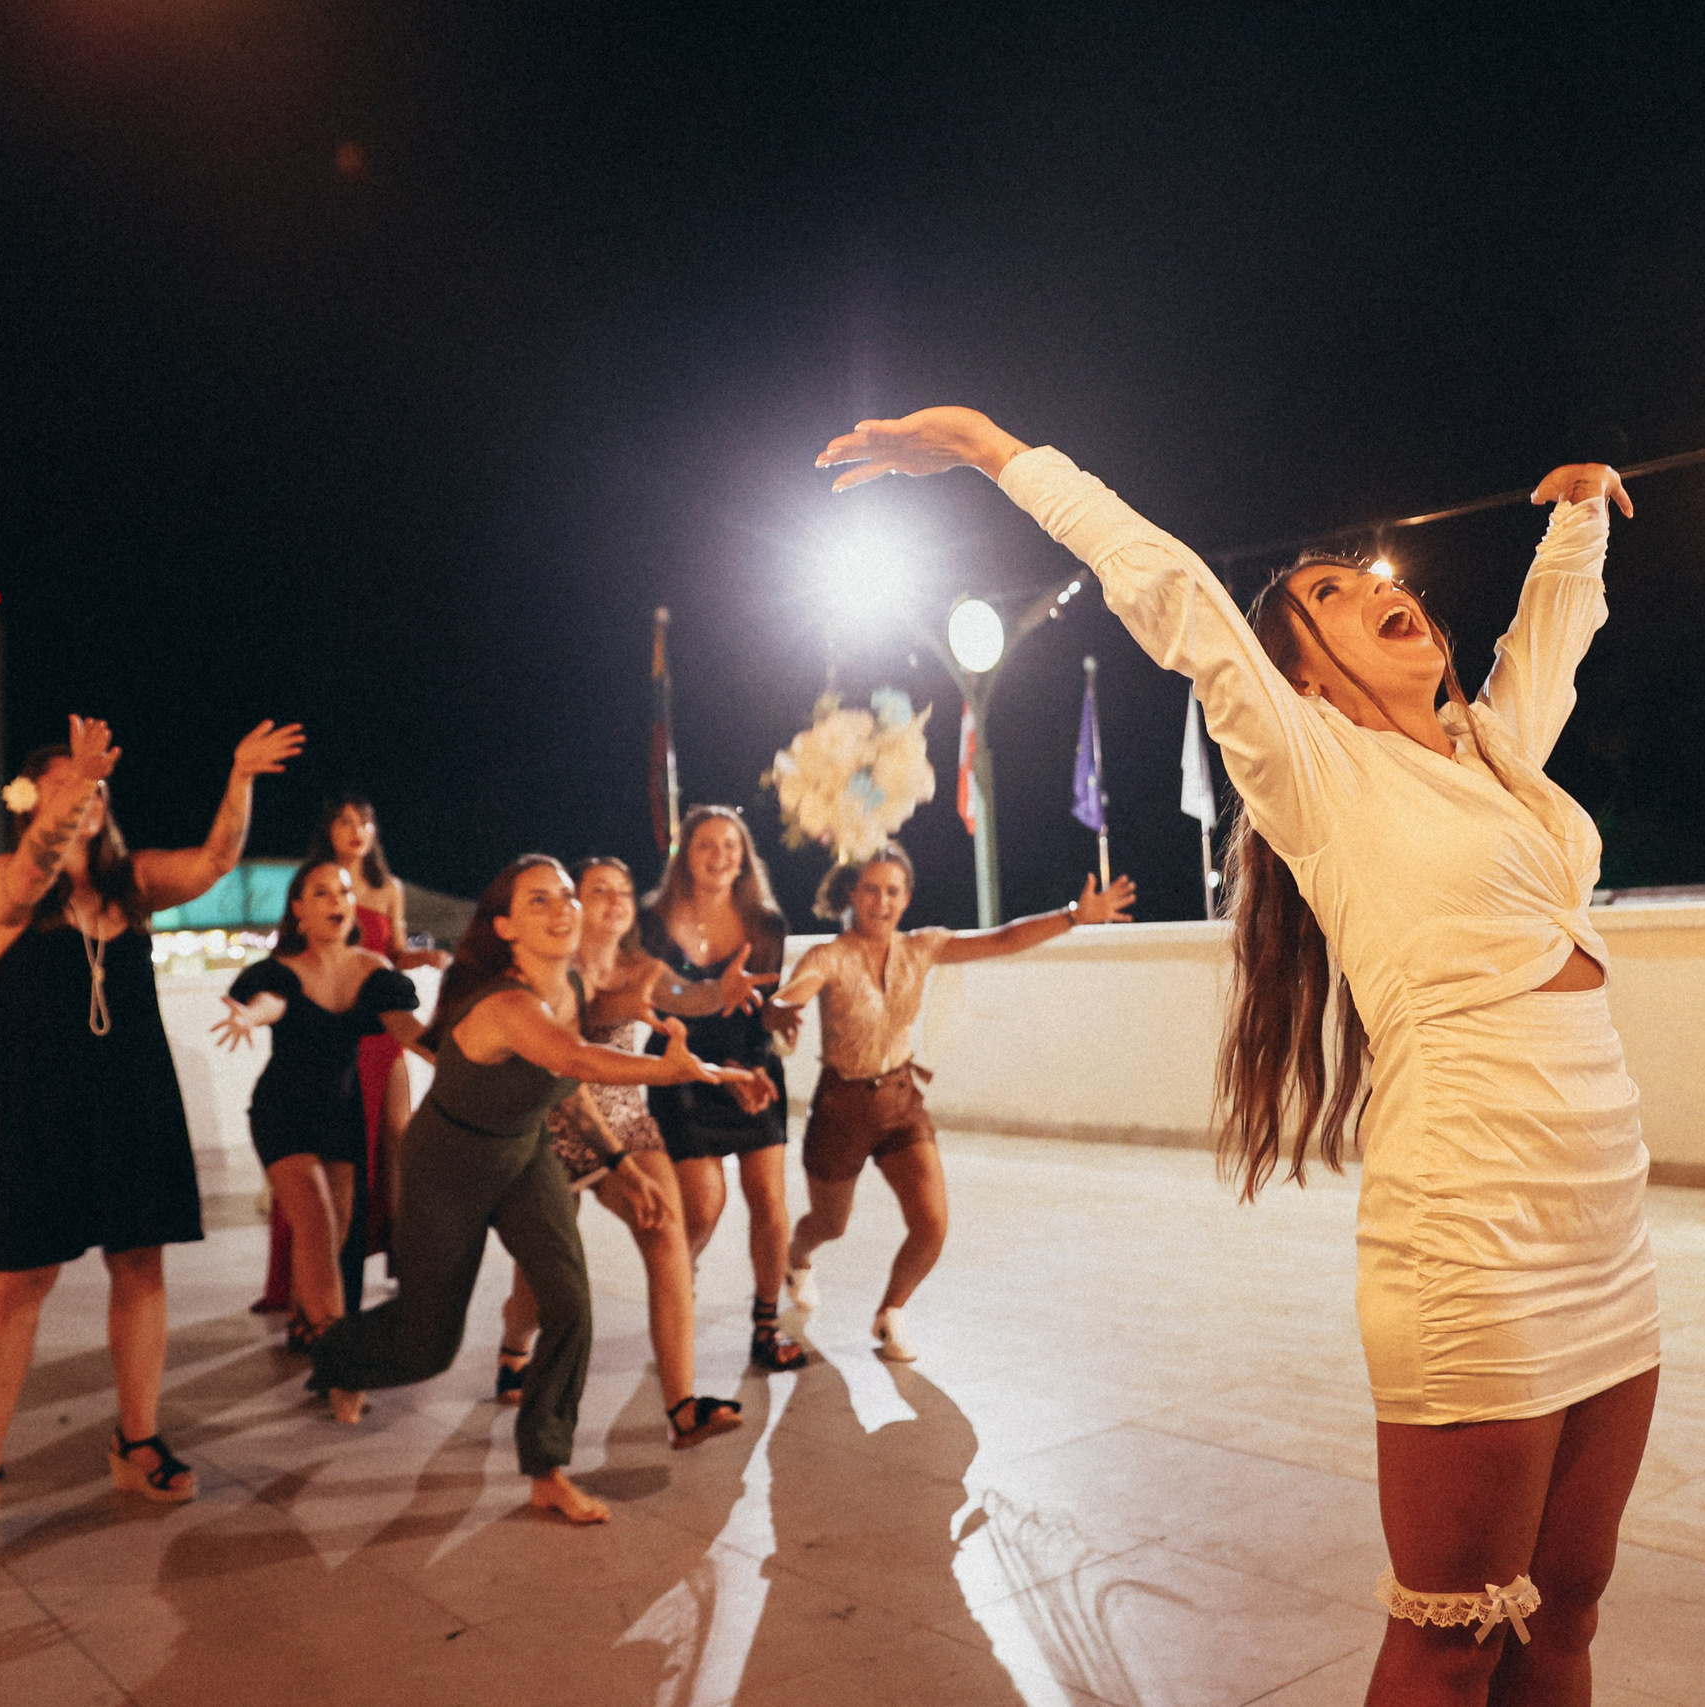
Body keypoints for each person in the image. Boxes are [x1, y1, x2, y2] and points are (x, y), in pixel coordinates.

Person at [821, 406, 1652, 1707]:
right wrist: (998, 452)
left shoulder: (1493, 751)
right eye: (1333, 592)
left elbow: (1551, 641)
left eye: (1377, 578)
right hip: (1477, 1226)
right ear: (1303, 674)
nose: (1380, 587)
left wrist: (1579, 517)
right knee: (1451, 1638)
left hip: (1608, 1221)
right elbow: (1181, 594)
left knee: (1567, 1611)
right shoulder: (1313, 772)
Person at [308, 856, 775, 1523]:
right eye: (538, 901)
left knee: (571, 1304)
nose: (561, 908)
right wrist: (675, 1071)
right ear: (504, 926)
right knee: (428, 1344)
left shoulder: (573, 987)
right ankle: (337, 1352)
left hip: (524, 1154)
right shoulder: (506, 1003)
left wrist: (619, 1160)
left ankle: (547, 1467)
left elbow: (569, 1084)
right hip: (450, 1165)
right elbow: (576, 1058)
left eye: (564, 896)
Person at [0, 712, 304, 1557]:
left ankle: (136, 1441)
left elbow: (217, 862)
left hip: (130, 1084)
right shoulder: (7, 882)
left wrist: (239, 776)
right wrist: (66, 798)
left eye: (96, 787)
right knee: (21, 1275)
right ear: (35, 801)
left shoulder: (133, 885)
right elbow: (35, 871)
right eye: (69, 784)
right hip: (37, 1093)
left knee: (141, 1259)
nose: (88, 798)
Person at [774, 843, 1135, 1363]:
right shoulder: (829, 955)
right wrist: (783, 1008)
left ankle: (891, 1312)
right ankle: (796, 1257)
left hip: (900, 1103)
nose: (881, 901)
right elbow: (798, 988)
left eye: (893, 891)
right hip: (842, 1109)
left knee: (931, 1225)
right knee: (831, 1224)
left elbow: (1002, 939)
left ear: (907, 897)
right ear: (852, 893)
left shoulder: (923, 946)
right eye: (871, 889)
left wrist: (1074, 916)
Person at [493, 857, 747, 1450]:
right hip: (552, 1132)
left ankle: (683, 1406)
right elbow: (572, 1064)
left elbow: (690, 997)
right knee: (539, 1283)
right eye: (599, 890)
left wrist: (723, 995)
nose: (614, 901)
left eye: (624, 891)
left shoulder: (644, 968)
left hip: (629, 1124)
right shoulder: (555, 973)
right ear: (575, 904)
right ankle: (512, 1347)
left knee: (667, 1235)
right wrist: (616, 1164)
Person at [211, 859, 426, 1352]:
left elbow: (406, 1031)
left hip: (342, 1115)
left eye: (344, 892)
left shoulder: (374, 971)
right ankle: (339, 1358)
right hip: (283, 1113)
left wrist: (463, 1057)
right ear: (299, 910)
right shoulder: (281, 972)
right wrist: (249, 1015)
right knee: (314, 1222)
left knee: (339, 1230)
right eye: (323, 893)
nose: (337, 902)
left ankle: (308, 1316)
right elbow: (273, 1003)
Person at [253, 799, 453, 1321]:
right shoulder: (313, 886)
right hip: (339, 1035)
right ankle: (310, 1295)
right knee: (328, 1162)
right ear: (329, 831)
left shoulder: (389, 889)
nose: (357, 829)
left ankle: (407, 1262)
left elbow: (392, 952)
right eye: (345, 820)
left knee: (398, 1138)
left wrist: (424, 957)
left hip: (382, 1028)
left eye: (364, 819)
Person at [640, 806, 807, 1373]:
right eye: (706, 845)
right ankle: (674, 1290)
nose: (718, 856)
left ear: (744, 856)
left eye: (730, 846)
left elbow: (763, 1006)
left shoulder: (767, 925)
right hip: (680, 1067)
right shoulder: (654, 923)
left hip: (752, 1066)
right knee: (704, 1207)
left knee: (770, 1198)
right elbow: (661, 998)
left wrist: (748, 1067)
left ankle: (766, 1323)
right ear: (686, 854)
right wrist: (711, 1005)